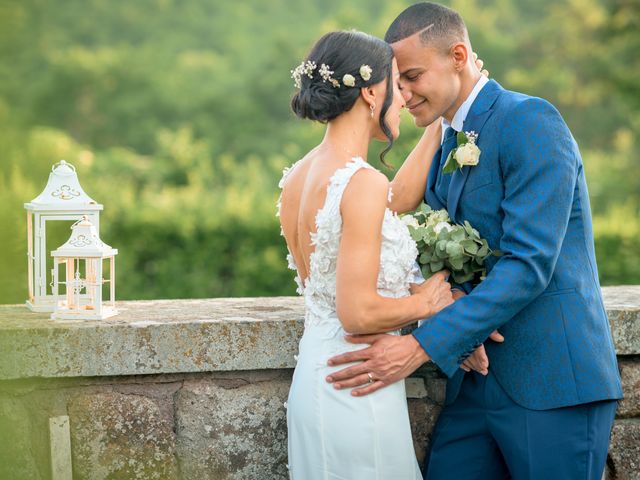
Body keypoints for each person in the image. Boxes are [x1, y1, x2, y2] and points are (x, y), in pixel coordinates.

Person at [326, 3, 623, 479]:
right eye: (396, 81)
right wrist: (454, 319)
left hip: (551, 382)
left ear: (458, 56)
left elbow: (529, 264)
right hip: (473, 376)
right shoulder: (447, 140)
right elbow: (451, 258)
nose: (401, 92)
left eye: (413, 76)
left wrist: (421, 347)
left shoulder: (530, 120)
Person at [277, 30, 457, 479]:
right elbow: (356, 313)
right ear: (373, 91)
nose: (405, 98)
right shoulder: (360, 182)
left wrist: (437, 128)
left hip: (319, 377)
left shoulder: (300, 175)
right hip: (358, 385)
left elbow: (387, 203)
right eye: (399, 85)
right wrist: (427, 303)